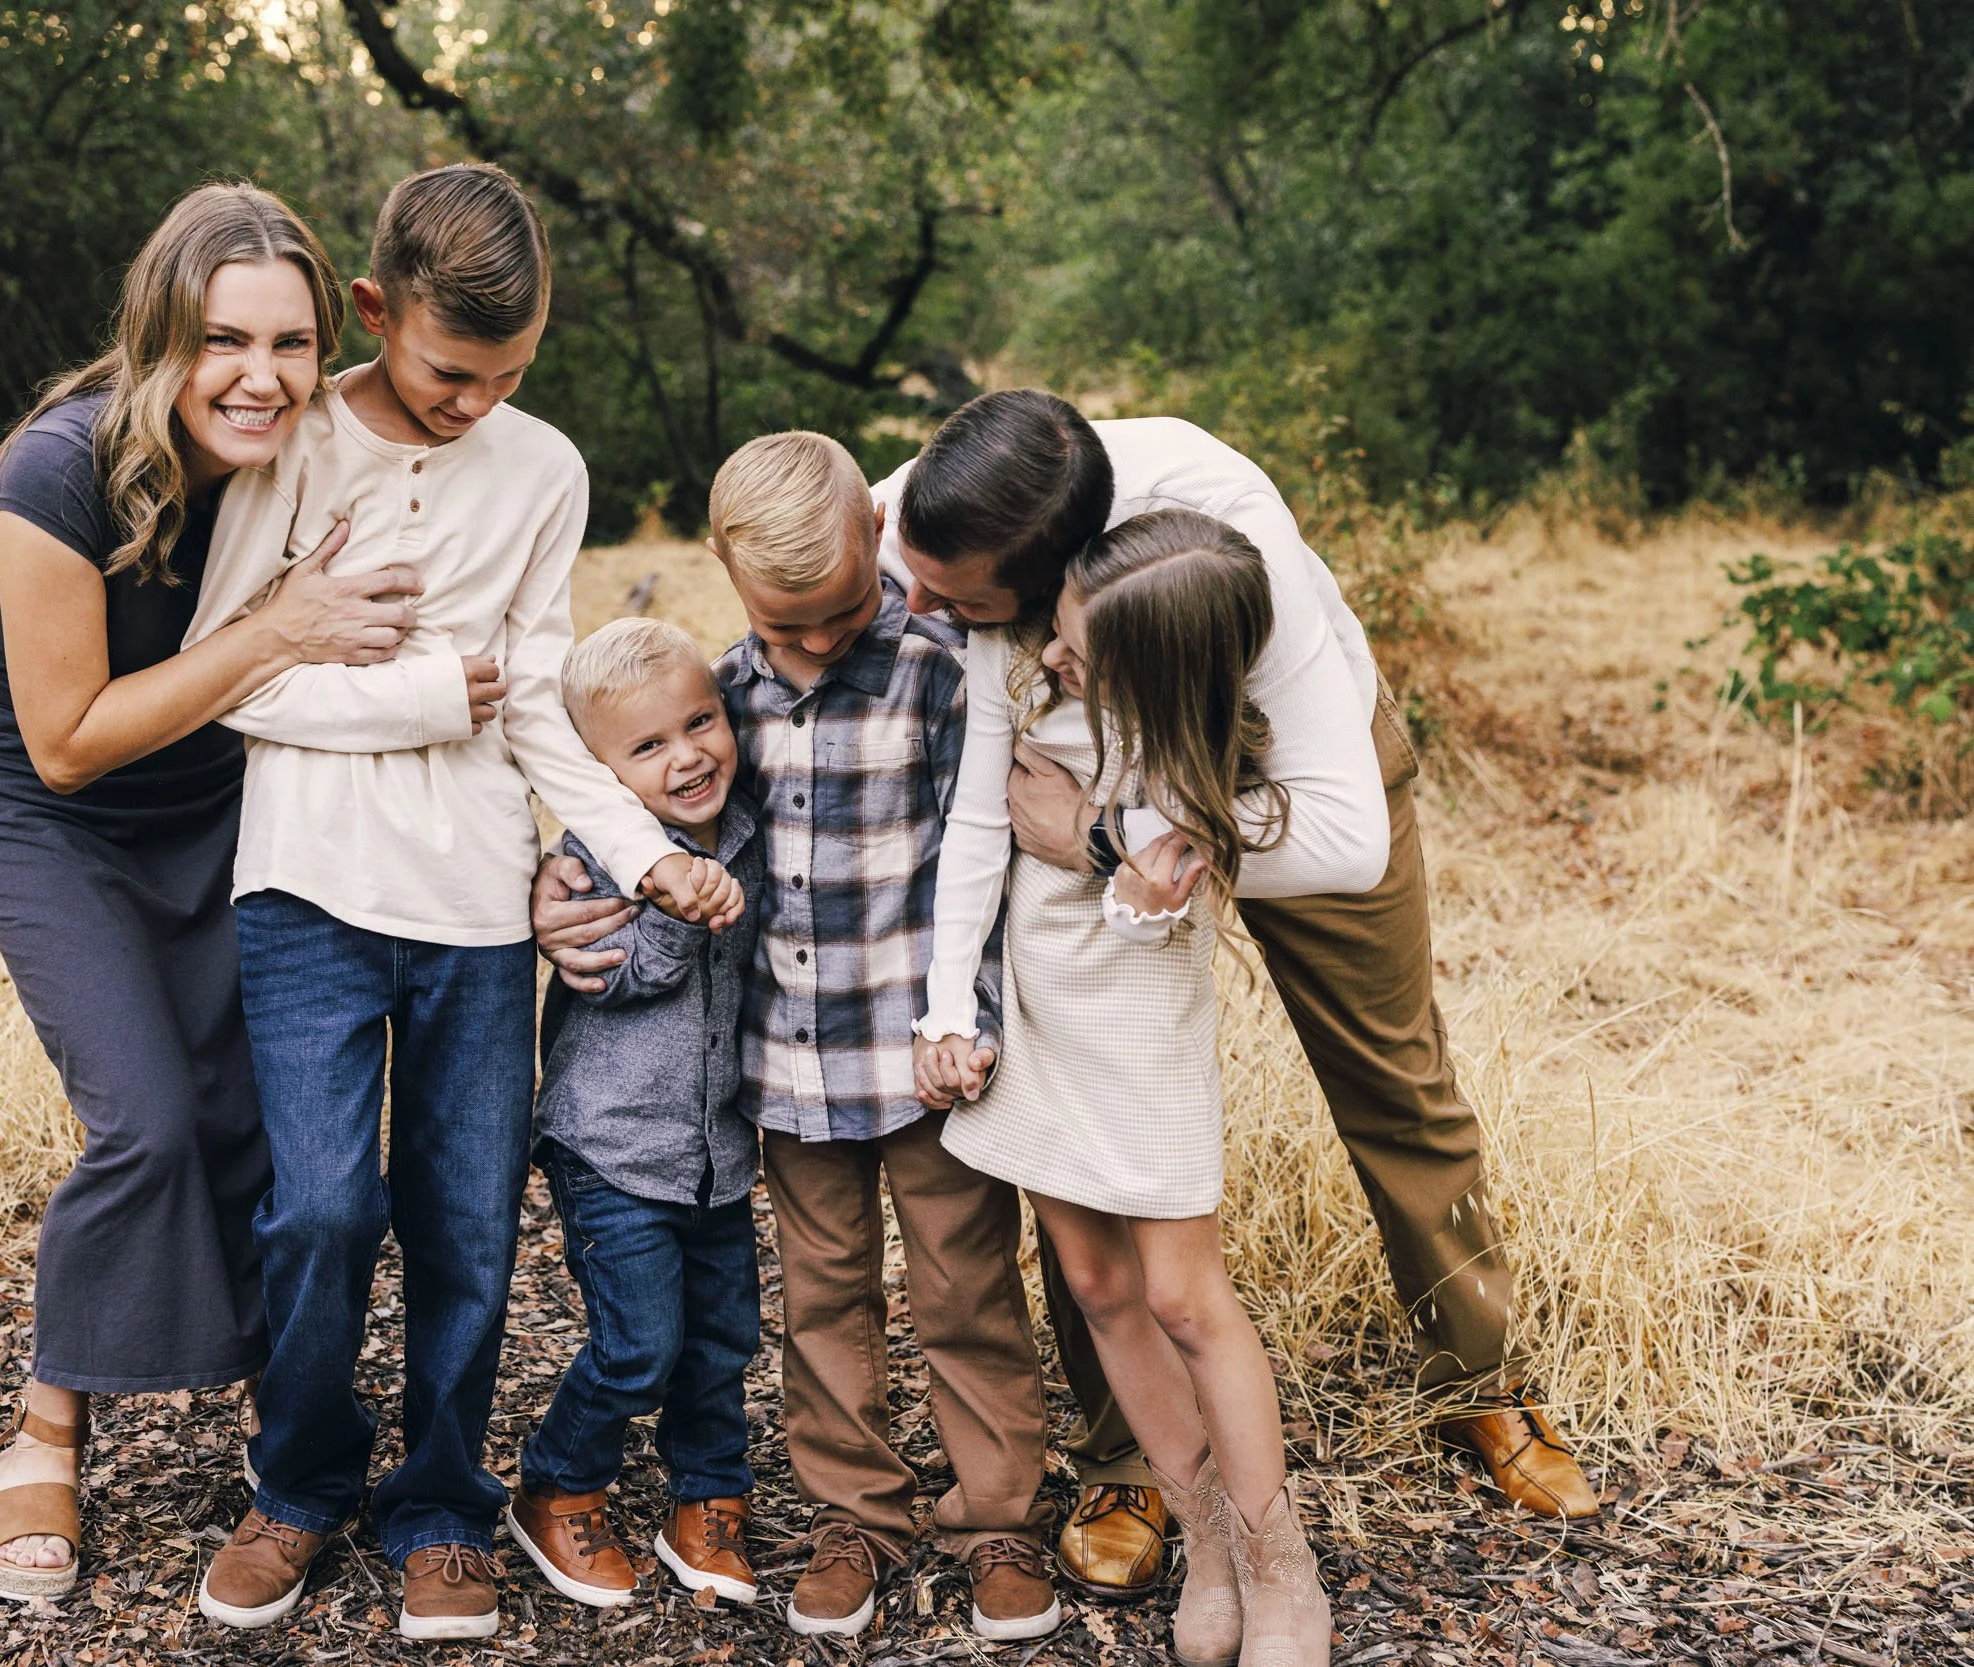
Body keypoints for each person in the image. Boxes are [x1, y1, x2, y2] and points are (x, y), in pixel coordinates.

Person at [883, 391, 1601, 1600]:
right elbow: (789, 535)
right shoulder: (945, 503)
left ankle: (1481, 1381)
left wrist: (1111, 840)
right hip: (1088, 775)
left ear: (1063, 577)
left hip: (1296, 787)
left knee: (1391, 1075)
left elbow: (1340, 838)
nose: (924, 614)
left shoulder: (1235, 536)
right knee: (1084, 1112)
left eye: (957, 602)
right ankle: (1129, 1458)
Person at [182, 164, 734, 1641]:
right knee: (319, 1207)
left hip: (477, 903)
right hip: (304, 885)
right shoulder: (286, 449)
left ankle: (438, 1501)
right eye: (446, 370)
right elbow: (235, 673)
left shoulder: (543, 470)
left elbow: (540, 702)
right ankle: (296, 1480)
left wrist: (636, 844)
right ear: (373, 311)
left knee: (467, 1224)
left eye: (507, 376)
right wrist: (427, 692)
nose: (472, 404)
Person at [0, 183, 419, 1603]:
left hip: (219, 786)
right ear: (158, 335)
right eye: (223, 340)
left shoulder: (314, 453)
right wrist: (277, 633)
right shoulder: (59, 467)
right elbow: (66, 738)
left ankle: (281, 1388)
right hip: (51, 803)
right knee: (144, 1109)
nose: (260, 377)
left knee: (248, 1100)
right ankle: (47, 1421)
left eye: (291, 342)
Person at [535, 432, 1063, 1643]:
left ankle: (994, 1521)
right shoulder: (716, 697)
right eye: (786, 624)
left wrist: (964, 1016)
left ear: (878, 540)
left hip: (924, 1055)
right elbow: (623, 839)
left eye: (834, 613)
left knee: (965, 1290)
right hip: (784, 1068)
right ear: (723, 568)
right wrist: (548, 893)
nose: (816, 642)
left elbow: (978, 868)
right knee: (823, 1300)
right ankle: (855, 1517)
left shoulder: (944, 672)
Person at [915, 509, 1337, 1666]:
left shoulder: (1207, 752)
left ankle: (1277, 1561)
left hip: (1142, 1017)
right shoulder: (1012, 665)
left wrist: (1118, 849)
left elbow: (1227, 843)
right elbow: (972, 827)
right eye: (1058, 628)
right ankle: (1200, 1535)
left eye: (1080, 651)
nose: (1053, 655)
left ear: (1150, 670)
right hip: (1035, 994)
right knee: (1096, 1282)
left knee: (1185, 1295)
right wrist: (950, 1002)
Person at [503, 617, 767, 1612]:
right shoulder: (594, 862)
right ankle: (558, 1482)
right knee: (638, 1341)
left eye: (699, 722)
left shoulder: (744, 825)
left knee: (723, 1334)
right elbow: (623, 981)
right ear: (601, 773)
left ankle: (706, 1498)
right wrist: (672, 890)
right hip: (609, 1146)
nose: (686, 754)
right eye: (647, 746)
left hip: (713, 1146)